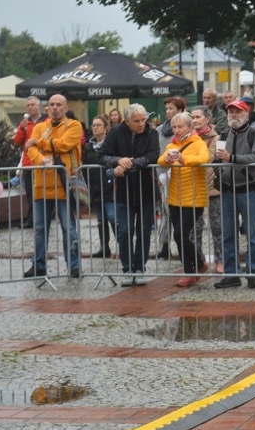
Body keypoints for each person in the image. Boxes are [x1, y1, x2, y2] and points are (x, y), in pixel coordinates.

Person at [23, 95, 83, 279]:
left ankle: (74, 265)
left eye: (59, 105)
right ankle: (38, 264)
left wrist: (39, 144)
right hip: (41, 184)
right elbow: (29, 149)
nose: (55, 108)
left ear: (65, 108)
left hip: (64, 185)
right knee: (40, 228)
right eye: (52, 105)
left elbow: (63, 144)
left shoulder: (74, 125)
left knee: (68, 227)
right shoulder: (40, 127)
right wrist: (41, 159)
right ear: (47, 108)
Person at [100, 104, 160, 287]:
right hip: (123, 192)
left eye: (143, 120)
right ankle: (127, 269)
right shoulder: (116, 132)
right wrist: (118, 160)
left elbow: (153, 156)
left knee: (144, 232)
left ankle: (140, 268)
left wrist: (127, 166)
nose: (142, 124)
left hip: (147, 191)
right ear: (127, 121)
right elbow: (102, 156)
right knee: (124, 232)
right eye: (137, 121)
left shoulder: (151, 133)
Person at [214, 99, 255, 289]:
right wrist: (219, 168)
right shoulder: (224, 133)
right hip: (228, 190)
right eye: (231, 112)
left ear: (246, 114)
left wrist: (232, 159)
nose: (233, 115)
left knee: (252, 234)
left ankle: (252, 272)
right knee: (228, 234)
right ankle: (232, 273)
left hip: (248, 189)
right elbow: (216, 159)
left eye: (237, 112)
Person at [158, 112, 210, 287]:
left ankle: (200, 262)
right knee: (178, 236)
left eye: (180, 127)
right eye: (174, 127)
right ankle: (189, 271)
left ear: (190, 127)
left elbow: (204, 158)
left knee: (181, 233)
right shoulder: (172, 145)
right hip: (174, 196)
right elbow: (160, 160)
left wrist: (183, 158)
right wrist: (166, 159)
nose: (177, 130)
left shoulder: (198, 143)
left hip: (194, 197)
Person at [190, 105, 223, 274]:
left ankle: (220, 260)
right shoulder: (187, 138)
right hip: (193, 187)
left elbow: (220, 161)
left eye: (198, 117)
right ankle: (199, 260)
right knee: (194, 227)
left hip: (213, 188)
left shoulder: (219, 137)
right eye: (192, 117)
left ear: (207, 118)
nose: (194, 120)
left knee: (217, 226)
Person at [155, 97, 188, 260]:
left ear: (180, 110)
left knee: (179, 213)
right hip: (163, 176)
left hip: (182, 176)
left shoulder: (187, 130)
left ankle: (185, 246)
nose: (168, 111)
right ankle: (164, 245)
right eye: (166, 108)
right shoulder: (160, 129)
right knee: (165, 211)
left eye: (171, 108)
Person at [82, 115, 115, 258]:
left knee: (113, 217)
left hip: (109, 187)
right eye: (93, 125)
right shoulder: (88, 146)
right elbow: (85, 166)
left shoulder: (111, 144)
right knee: (101, 219)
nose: (95, 127)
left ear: (106, 128)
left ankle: (123, 246)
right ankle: (104, 247)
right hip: (94, 188)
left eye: (98, 125)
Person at [13, 96, 45, 228]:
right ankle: (32, 220)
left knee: (43, 192)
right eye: (28, 105)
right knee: (30, 194)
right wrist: (21, 128)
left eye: (33, 104)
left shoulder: (46, 120)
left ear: (39, 106)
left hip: (43, 162)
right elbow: (16, 142)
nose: (30, 107)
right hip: (28, 163)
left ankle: (43, 218)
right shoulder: (24, 123)